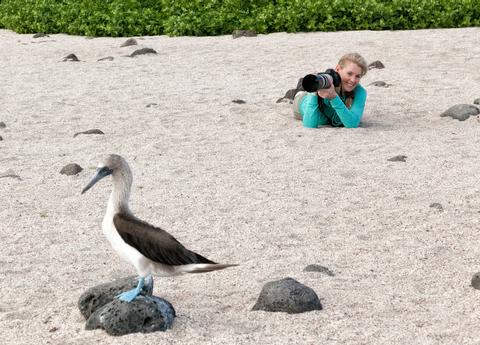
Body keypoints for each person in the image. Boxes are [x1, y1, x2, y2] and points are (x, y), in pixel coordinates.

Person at [293, 53, 368, 128]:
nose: (353, 80)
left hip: (330, 105)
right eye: (349, 73)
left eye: (358, 76)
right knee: (304, 87)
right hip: (301, 101)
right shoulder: (324, 85)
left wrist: (334, 97)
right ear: (338, 69)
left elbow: (352, 123)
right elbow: (309, 125)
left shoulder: (360, 92)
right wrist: (314, 92)